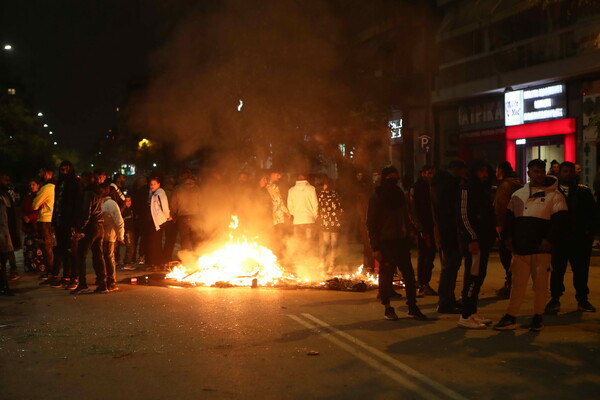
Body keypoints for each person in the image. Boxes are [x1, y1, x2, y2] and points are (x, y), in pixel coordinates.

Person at [494, 159, 568, 331]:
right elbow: (510, 219)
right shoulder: (518, 194)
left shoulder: (555, 196)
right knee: (517, 284)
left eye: (541, 171)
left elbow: (559, 223)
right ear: (528, 173)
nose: (539, 175)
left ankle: (537, 317)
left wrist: (549, 240)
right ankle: (510, 316)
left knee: (540, 285)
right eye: (535, 171)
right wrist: (508, 239)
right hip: (521, 248)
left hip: (541, 249)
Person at [367, 166, 426, 321]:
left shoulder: (399, 195)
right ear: (384, 177)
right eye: (390, 176)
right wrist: (375, 247)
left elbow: (406, 215)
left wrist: (411, 231)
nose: (394, 178)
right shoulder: (377, 197)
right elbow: (371, 223)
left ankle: (412, 306)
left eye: (395, 175)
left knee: (409, 276)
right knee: (386, 277)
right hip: (385, 243)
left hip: (401, 241)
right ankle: (388, 307)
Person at [545, 162, 599, 314]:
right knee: (557, 271)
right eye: (565, 171)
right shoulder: (552, 192)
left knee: (581, 272)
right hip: (559, 240)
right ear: (559, 173)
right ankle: (555, 299)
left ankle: (582, 300)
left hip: (580, 239)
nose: (568, 174)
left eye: (570, 171)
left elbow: (593, 215)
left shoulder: (583, 191)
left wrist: (590, 234)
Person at [457, 161, 496, 329]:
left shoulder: (484, 190)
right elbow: (464, 216)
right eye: (481, 171)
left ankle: (472, 312)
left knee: (479, 276)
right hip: (476, 242)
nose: (484, 175)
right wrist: (472, 238)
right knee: (472, 278)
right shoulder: (467, 190)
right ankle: (465, 314)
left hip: (485, 240)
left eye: (486, 171)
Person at [431, 160, 467, 314]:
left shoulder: (439, 185)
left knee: (450, 267)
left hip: (446, 231)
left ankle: (448, 298)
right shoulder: (449, 187)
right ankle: (446, 301)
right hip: (450, 231)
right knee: (450, 267)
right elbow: (452, 211)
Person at [70, 173, 107, 295]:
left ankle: (82, 284)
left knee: (81, 254)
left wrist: (80, 228)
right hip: (100, 225)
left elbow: (86, 212)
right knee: (98, 255)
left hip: (91, 226)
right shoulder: (99, 192)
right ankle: (103, 283)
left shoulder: (88, 193)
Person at [493, 161, 523, 298]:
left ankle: (509, 285)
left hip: (506, 225)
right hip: (517, 224)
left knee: (507, 256)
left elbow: (500, 207)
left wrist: (499, 225)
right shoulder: (517, 184)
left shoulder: (505, 186)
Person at [52, 161, 83, 290]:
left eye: (66, 170)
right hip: (60, 221)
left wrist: (75, 224)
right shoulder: (59, 183)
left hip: (70, 221)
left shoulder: (75, 183)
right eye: (62, 170)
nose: (64, 172)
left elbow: (77, 205)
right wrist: (54, 221)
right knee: (63, 249)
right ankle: (65, 277)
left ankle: (74, 277)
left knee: (72, 251)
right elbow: (57, 203)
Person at [408, 165, 437, 296]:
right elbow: (413, 210)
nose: (431, 176)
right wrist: (419, 227)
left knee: (429, 255)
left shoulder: (432, 186)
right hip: (424, 228)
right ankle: (423, 283)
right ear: (423, 174)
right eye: (429, 173)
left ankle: (424, 282)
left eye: (432, 173)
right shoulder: (417, 188)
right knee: (425, 255)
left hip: (432, 226)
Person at [33, 168, 56, 285]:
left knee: (47, 247)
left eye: (41, 172)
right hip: (52, 218)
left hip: (45, 220)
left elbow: (34, 205)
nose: (39, 174)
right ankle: (52, 271)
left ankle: (50, 272)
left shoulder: (46, 188)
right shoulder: (55, 187)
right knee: (50, 247)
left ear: (47, 173)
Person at [170, 170, 202, 252]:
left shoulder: (178, 189)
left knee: (185, 239)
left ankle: (186, 259)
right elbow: (201, 202)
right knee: (195, 239)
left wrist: (174, 214)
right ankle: (196, 257)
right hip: (195, 216)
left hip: (182, 216)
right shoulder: (197, 188)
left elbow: (173, 204)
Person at [100, 182, 124, 292]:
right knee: (103, 258)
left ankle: (111, 281)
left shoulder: (111, 204)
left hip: (109, 236)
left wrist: (120, 235)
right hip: (100, 236)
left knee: (109, 258)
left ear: (107, 190)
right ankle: (104, 279)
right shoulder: (100, 202)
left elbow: (119, 221)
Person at [287, 172, 318, 252]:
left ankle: (299, 259)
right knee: (309, 241)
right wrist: (314, 216)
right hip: (309, 219)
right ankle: (308, 257)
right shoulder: (311, 189)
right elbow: (315, 204)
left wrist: (294, 215)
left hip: (297, 220)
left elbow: (290, 206)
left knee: (298, 241)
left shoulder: (291, 190)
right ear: (307, 178)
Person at [317, 177, 343, 274]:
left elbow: (319, 208)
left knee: (325, 243)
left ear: (325, 185)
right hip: (335, 222)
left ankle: (322, 262)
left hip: (325, 222)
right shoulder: (335, 194)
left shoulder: (321, 195)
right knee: (334, 244)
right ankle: (332, 265)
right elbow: (340, 208)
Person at [0, 173, 21, 281]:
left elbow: (10, 207)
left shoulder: (7, 192)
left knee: (8, 247)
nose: (7, 182)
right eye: (5, 180)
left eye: (8, 180)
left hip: (6, 224)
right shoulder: (4, 192)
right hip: (5, 223)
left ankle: (13, 269)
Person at [147, 177, 171, 269]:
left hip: (159, 221)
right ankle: (156, 262)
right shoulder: (153, 193)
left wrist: (167, 216)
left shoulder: (160, 193)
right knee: (155, 242)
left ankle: (158, 262)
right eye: (151, 184)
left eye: (154, 184)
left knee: (156, 242)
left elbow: (164, 206)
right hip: (155, 221)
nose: (152, 186)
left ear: (159, 184)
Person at [21, 178, 45, 273]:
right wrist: (24, 216)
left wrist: (30, 217)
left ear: (38, 185)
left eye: (33, 184)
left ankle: (40, 267)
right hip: (28, 226)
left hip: (36, 224)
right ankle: (30, 268)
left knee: (38, 248)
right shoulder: (27, 196)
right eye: (30, 185)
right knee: (29, 248)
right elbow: (22, 209)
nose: (31, 187)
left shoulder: (40, 196)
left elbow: (40, 210)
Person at [121, 195, 136, 267]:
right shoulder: (124, 211)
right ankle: (127, 263)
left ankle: (127, 262)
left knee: (131, 246)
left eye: (129, 200)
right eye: (126, 201)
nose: (128, 202)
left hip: (130, 230)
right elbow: (124, 222)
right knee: (130, 247)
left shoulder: (130, 210)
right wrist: (126, 232)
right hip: (127, 231)